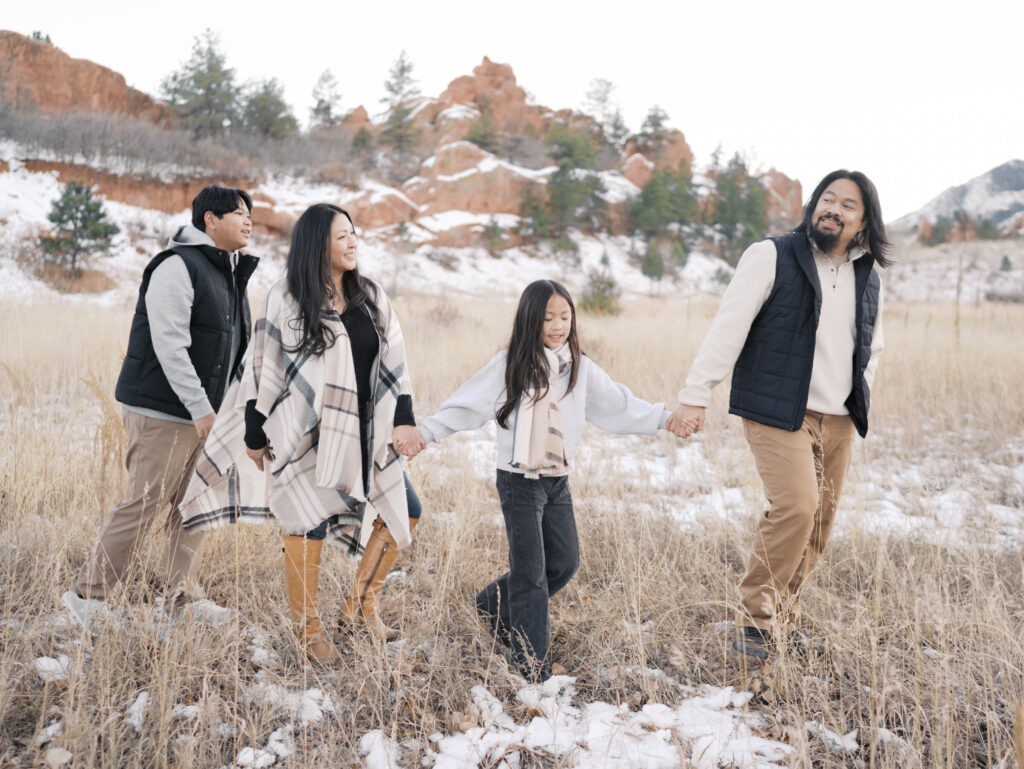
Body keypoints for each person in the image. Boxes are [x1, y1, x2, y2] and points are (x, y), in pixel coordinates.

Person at [407, 279, 691, 681]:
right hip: (518, 480)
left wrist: (666, 418)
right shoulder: (512, 364)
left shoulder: (580, 369)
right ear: (530, 320)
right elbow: (466, 405)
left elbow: (618, 407)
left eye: (564, 316)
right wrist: (426, 433)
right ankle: (531, 667)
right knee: (531, 575)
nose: (558, 325)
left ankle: (491, 605)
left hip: (557, 479)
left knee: (564, 562)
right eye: (547, 318)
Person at [180, 203, 424, 664]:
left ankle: (359, 607)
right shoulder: (288, 297)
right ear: (318, 244)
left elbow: (397, 365)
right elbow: (263, 368)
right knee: (305, 520)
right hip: (304, 430)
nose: (353, 243)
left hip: (367, 429)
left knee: (406, 510)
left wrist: (405, 417)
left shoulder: (371, 296)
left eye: (355, 234)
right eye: (342, 237)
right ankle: (308, 631)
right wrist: (255, 433)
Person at [667, 169, 889, 660]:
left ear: (864, 221)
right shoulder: (770, 255)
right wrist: (695, 394)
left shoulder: (868, 276)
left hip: (839, 419)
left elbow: (870, 346)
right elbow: (729, 328)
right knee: (796, 507)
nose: (833, 208)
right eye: (827, 199)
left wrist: (860, 398)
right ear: (813, 207)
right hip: (778, 410)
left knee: (820, 524)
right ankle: (755, 621)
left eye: (848, 205)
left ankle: (782, 614)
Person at [62, 185, 259, 629]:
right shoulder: (177, 265)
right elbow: (170, 345)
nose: (249, 222)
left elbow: (234, 354)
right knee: (144, 503)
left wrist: (228, 411)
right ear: (210, 219)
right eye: (240, 213)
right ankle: (88, 597)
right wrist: (200, 408)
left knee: (193, 505)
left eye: (251, 215)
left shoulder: (229, 273)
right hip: (166, 411)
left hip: (207, 415)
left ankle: (182, 597)